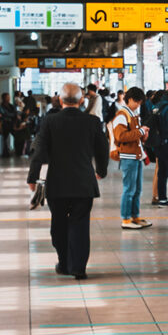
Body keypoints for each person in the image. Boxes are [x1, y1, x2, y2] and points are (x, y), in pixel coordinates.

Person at [27, 83, 109, 280]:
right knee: (80, 225)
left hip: (57, 183)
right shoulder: (92, 121)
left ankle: (64, 263)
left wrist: (33, 177)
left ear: (60, 100)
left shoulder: (49, 121)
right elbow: (102, 148)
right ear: (82, 100)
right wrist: (101, 170)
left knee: (59, 225)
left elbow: (39, 151)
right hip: (83, 183)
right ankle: (78, 267)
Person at [112, 87, 152, 230]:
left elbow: (134, 135)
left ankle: (135, 216)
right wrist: (140, 131)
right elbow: (121, 136)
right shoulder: (122, 115)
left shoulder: (134, 114)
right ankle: (126, 219)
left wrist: (143, 135)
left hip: (137, 155)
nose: (138, 105)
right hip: (128, 157)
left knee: (137, 189)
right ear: (129, 99)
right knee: (129, 189)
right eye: (137, 102)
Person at [0, 92, 15, 156]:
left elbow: (14, 114)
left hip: (11, 124)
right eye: (7, 97)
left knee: (16, 135)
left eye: (9, 97)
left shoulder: (11, 106)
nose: (8, 98)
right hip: (4, 124)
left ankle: (16, 150)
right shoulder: (1, 106)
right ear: (3, 98)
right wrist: (11, 115)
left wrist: (11, 115)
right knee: (4, 139)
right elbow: (4, 114)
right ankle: (5, 152)